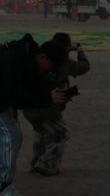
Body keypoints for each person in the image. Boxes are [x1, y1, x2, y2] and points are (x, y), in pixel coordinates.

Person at [0, 34, 66, 196]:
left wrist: (48, 95)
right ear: (43, 56)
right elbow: (18, 96)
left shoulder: (26, 58)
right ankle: (4, 186)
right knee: (11, 138)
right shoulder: (16, 60)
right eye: (50, 66)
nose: (49, 70)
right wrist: (48, 98)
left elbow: (30, 86)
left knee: (11, 140)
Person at [25, 33, 89, 176]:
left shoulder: (38, 58)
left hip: (30, 107)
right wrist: (80, 52)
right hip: (48, 108)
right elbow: (84, 67)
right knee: (60, 134)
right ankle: (47, 164)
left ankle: (36, 163)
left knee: (41, 132)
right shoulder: (65, 62)